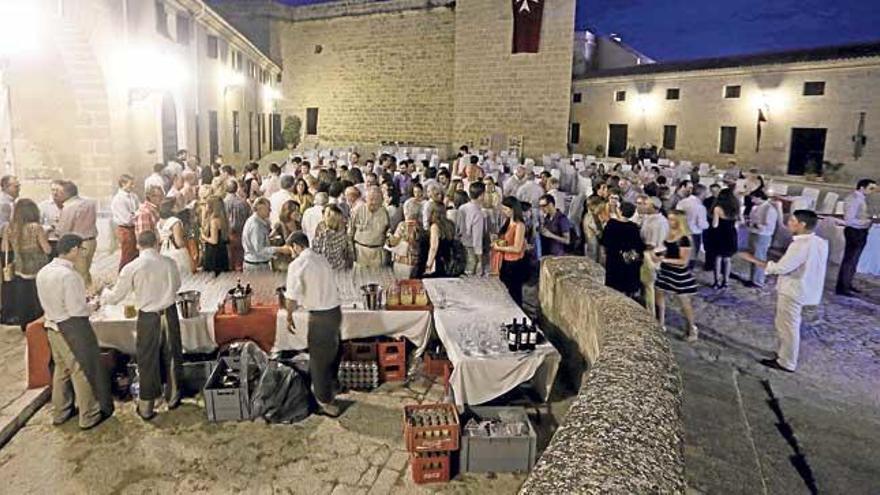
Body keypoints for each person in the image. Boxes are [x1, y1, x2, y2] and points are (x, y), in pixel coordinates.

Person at [36, 234, 114, 429]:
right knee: (82, 369)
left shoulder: (44, 271)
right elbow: (76, 310)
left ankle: (61, 412)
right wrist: (93, 305)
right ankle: (89, 414)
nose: (82, 254)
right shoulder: (69, 276)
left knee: (62, 370)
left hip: (51, 324)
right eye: (81, 249)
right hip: (70, 327)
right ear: (73, 250)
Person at [102, 231, 182, 419]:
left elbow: (116, 296)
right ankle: (173, 397)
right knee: (172, 355)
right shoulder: (169, 263)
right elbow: (177, 286)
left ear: (138, 245)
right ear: (156, 243)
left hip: (148, 317)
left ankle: (147, 407)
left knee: (147, 360)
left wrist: (105, 293)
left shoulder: (132, 267)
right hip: (169, 313)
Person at [739, 210, 828, 372]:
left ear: (802, 224)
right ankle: (784, 354)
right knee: (789, 325)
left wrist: (751, 259)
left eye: (792, 220)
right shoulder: (820, 242)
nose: (788, 223)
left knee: (787, 326)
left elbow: (781, 268)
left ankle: (786, 361)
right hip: (807, 289)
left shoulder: (800, 245)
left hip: (793, 290)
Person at [284, 232, 343, 417]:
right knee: (332, 353)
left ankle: (324, 402)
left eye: (290, 249)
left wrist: (289, 315)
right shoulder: (321, 259)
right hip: (335, 313)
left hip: (320, 317)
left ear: (296, 246)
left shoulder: (297, 264)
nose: (291, 253)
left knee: (318, 361)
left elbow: (291, 296)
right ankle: (333, 387)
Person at [1, 199, 51, 329]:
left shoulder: (9, 227)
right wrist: (46, 233)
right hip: (38, 268)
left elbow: (4, 248)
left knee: (23, 297)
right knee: (38, 298)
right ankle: (39, 325)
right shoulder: (36, 227)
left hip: (19, 267)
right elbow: (47, 249)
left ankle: (25, 324)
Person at [654, 210, 699, 341]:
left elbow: (683, 261)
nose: (669, 221)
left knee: (684, 303)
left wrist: (664, 260)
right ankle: (660, 323)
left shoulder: (684, 238)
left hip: (678, 274)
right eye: (669, 218)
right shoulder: (668, 233)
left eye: (672, 219)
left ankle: (692, 328)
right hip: (665, 271)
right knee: (659, 296)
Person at [836, 178, 877, 296]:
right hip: (854, 232)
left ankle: (848, 283)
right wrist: (867, 222)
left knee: (854, 260)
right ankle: (842, 287)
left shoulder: (861, 198)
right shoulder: (853, 199)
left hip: (860, 231)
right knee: (849, 260)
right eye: (871, 188)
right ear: (862, 188)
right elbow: (849, 220)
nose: (872, 191)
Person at [55, 181, 98, 290]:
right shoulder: (90, 203)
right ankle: (91, 294)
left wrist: (54, 227)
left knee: (80, 275)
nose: (56, 194)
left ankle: (85, 298)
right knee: (85, 272)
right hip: (91, 240)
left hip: (78, 244)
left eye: (59, 192)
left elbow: (63, 230)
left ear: (66, 193)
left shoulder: (69, 207)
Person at [601, 202, 645, 298]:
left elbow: (605, 241)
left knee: (613, 286)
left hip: (613, 259)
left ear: (619, 211)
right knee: (626, 285)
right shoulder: (633, 227)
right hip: (627, 261)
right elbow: (638, 246)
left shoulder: (611, 224)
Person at [492, 196, 528, 306]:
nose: (504, 212)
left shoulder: (519, 225)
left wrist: (499, 248)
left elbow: (517, 248)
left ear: (513, 209)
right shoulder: (507, 222)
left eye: (506, 209)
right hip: (505, 261)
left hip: (515, 263)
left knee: (514, 293)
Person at [637, 195, 669, 316]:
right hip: (654, 254)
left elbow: (651, 244)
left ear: (655, 208)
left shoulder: (657, 223)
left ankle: (651, 313)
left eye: (647, 204)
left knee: (649, 286)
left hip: (651, 255)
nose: (645, 206)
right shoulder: (652, 218)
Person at [242, 198, 289, 272]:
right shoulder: (256, 225)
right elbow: (259, 250)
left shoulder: (257, 221)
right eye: (268, 208)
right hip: (256, 266)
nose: (270, 211)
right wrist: (280, 249)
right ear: (260, 209)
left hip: (256, 263)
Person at [349, 186, 390, 269]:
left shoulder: (384, 212)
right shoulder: (358, 211)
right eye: (371, 199)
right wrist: (351, 252)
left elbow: (387, 231)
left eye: (377, 199)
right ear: (366, 199)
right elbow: (350, 232)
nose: (374, 202)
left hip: (377, 252)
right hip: (360, 252)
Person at [707, 188, 739, 289]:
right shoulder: (735, 207)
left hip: (720, 234)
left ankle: (716, 282)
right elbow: (739, 221)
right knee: (727, 259)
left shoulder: (718, 208)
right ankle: (726, 282)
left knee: (717, 258)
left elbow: (715, 225)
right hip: (731, 234)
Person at [745, 190, 778, 288]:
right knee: (752, 257)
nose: (752, 200)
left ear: (760, 197)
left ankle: (758, 281)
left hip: (762, 235)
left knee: (759, 258)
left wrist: (754, 224)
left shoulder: (769, 209)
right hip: (753, 233)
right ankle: (752, 279)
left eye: (753, 198)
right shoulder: (756, 207)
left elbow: (769, 225)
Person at [387, 199, 425, 279]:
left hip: (402, 263)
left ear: (406, 210)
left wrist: (389, 236)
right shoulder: (420, 227)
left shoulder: (403, 225)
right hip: (415, 262)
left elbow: (394, 242)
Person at [676, 183, 710, 270]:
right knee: (691, 257)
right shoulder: (700, 207)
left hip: (680, 232)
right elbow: (702, 224)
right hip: (694, 234)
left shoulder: (682, 202)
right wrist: (709, 224)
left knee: (681, 255)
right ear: (702, 193)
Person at [110, 174, 140, 271]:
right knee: (127, 255)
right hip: (125, 229)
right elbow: (127, 219)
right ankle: (122, 274)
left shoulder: (133, 196)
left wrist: (135, 214)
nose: (133, 186)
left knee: (136, 253)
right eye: (130, 184)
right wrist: (136, 215)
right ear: (123, 184)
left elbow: (139, 209)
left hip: (134, 227)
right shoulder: (119, 199)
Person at [157, 199, 193, 278]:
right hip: (176, 252)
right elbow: (179, 242)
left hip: (164, 251)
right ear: (172, 208)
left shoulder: (159, 222)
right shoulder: (175, 221)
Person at [312, 205, 354, 271]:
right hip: (341, 267)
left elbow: (320, 254)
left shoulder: (324, 236)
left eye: (324, 214)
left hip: (327, 270)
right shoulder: (344, 231)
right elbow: (349, 251)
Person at [458, 182, 486, 275]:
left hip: (460, 245)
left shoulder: (462, 207)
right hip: (471, 248)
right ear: (481, 195)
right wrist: (480, 259)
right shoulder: (478, 213)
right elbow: (477, 238)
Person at [423, 202, 456, 278]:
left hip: (439, 262)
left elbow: (433, 247)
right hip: (450, 261)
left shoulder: (435, 227)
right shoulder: (451, 224)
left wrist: (428, 264)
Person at [224, 181, 251, 272]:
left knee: (230, 257)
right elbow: (249, 217)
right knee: (239, 257)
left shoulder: (223, 203)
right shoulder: (243, 203)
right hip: (241, 232)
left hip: (228, 233)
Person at [201, 196, 230, 275]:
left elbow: (214, 240)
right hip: (222, 251)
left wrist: (203, 236)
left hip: (214, 253)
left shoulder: (214, 221)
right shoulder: (223, 219)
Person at [39, 179, 65, 257]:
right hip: (51, 241)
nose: (55, 192)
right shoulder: (44, 205)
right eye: (53, 190)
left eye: (57, 190)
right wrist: (49, 227)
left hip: (65, 241)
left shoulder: (69, 204)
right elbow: (38, 225)